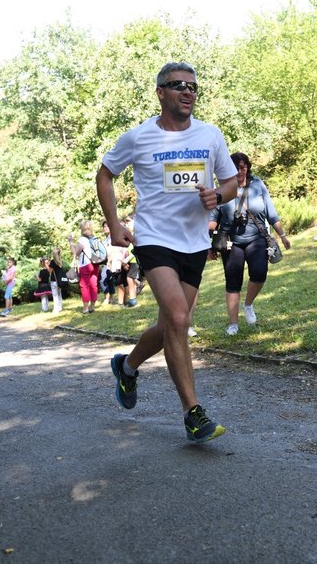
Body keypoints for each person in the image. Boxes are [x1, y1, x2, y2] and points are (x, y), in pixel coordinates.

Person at [96, 61, 238, 443]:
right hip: (154, 240)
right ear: (160, 92)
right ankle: (194, 413)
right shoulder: (139, 137)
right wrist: (114, 224)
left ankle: (126, 366)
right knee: (178, 317)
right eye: (178, 85)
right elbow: (105, 173)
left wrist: (218, 195)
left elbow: (230, 184)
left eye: (193, 86)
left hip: (194, 243)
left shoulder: (210, 136)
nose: (187, 91)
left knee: (169, 325)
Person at [209, 152, 291, 336]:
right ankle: (233, 324)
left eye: (243, 167)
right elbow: (213, 218)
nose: (239, 171)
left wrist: (282, 235)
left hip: (257, 239)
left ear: (247, 167)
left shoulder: (258, 185)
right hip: (232, 243)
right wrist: (208, 243)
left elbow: (271, 212)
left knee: (260, 273)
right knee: (233, 282)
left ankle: (248, 304)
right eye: (236, 167)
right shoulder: (222, 189)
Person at [68, 220, 105, 314]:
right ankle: (92, 307)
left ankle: (85, 308)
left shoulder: (82, 239)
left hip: (85, 265)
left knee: (85, 286)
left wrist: (71, 241)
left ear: (82, 229)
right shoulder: (94, 238)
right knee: (93, 285)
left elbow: (75, 253)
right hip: (95, 264)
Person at [49, 247, 66, 313]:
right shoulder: (61, 261)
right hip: (60, 280)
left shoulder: (52, 262)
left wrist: (47, 265)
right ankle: (60, 307)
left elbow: (50, 271)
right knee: (59, 294)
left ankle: (56, 309)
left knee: (55, 295)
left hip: (54, 280)